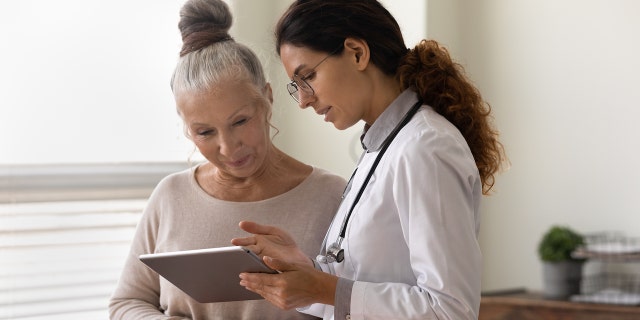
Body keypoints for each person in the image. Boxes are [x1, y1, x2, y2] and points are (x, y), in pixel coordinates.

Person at [230, 1, 507, 319]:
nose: (304, 100)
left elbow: (451, 310)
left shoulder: (425, 148)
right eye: (298, 86)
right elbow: (362, 290)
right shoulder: (384, 148)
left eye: (308, 77)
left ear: (357, 53)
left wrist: (325, 288)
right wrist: (304, 273)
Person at [108, 0, 346, 319]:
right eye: (205, 132)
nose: (228, 147)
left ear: (268, 99)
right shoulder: (170, 196)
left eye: (240, 122)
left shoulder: (332, 196)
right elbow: (126, 303)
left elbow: (356, 304)